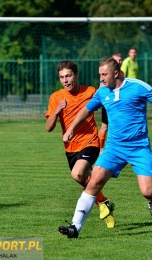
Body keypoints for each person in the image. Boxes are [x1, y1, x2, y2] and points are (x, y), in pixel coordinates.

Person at [58, 57, 152, 238]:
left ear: (116, 73)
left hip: (139, 147)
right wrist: (71, 128)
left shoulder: (137, 86)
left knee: (147, 191)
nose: (101, 79)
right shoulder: (102, 92)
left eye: (104, 75)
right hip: (114, 148)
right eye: (99, 74)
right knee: (94, 183)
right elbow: (86, 110)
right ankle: (75, 227)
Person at [45, 60, 115, 229]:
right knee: (82, 178)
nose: (65, 80)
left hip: (90, 141)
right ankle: (104, 203)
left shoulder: (90, 92)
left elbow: (109, 97)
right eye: (62, 77)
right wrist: (56, 112)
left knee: (77, 173)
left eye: (68, 76)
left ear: (76, 75)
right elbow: (48, 128)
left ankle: (81, 220)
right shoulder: (56, 97)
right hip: (70, 147)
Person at [98, 52, 123, 151]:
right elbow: (101, 87)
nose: (119, 62)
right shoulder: (106, 73)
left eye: (120, 60)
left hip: (118, 103)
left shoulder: (121, 73)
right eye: (116, 60)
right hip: (108, 102)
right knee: (104, 126)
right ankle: (100, 150)